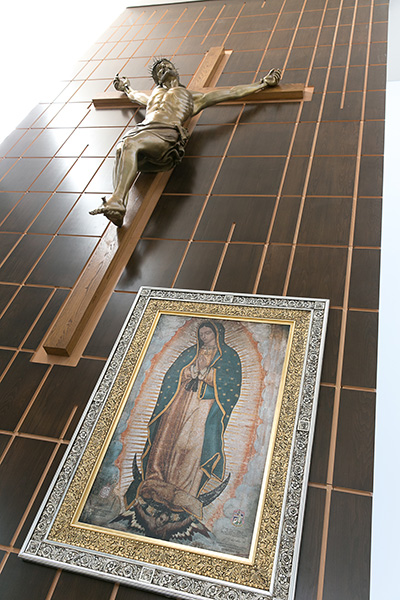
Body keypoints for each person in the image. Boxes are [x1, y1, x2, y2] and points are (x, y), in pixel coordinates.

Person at [89, 58, 281, 226]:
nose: (163, 69)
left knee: (129, 144)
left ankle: (117, 200)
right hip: (144, 131)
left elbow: (231, 92)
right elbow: (133, 95)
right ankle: (118, 206)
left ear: (175, 70)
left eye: (166, 65)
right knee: (121, 147)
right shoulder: (153, 96)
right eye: (159, 71)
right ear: (158, 80)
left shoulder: (192, 97)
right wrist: (125, 87)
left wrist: (262, 83)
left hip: (167, 132)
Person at [135, 320, 242, 520]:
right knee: (167, 439)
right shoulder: (190, 353)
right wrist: (189, 371)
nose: (204, 337)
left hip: (204, 406)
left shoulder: (228, 356)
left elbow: (231, 386)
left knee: (191, 444)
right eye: (201, 334)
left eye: (208, 333)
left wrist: (206, 374)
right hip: (178, 403)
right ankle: (156, 481)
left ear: (217, 334)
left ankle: (184, 490)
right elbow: (172, 375)